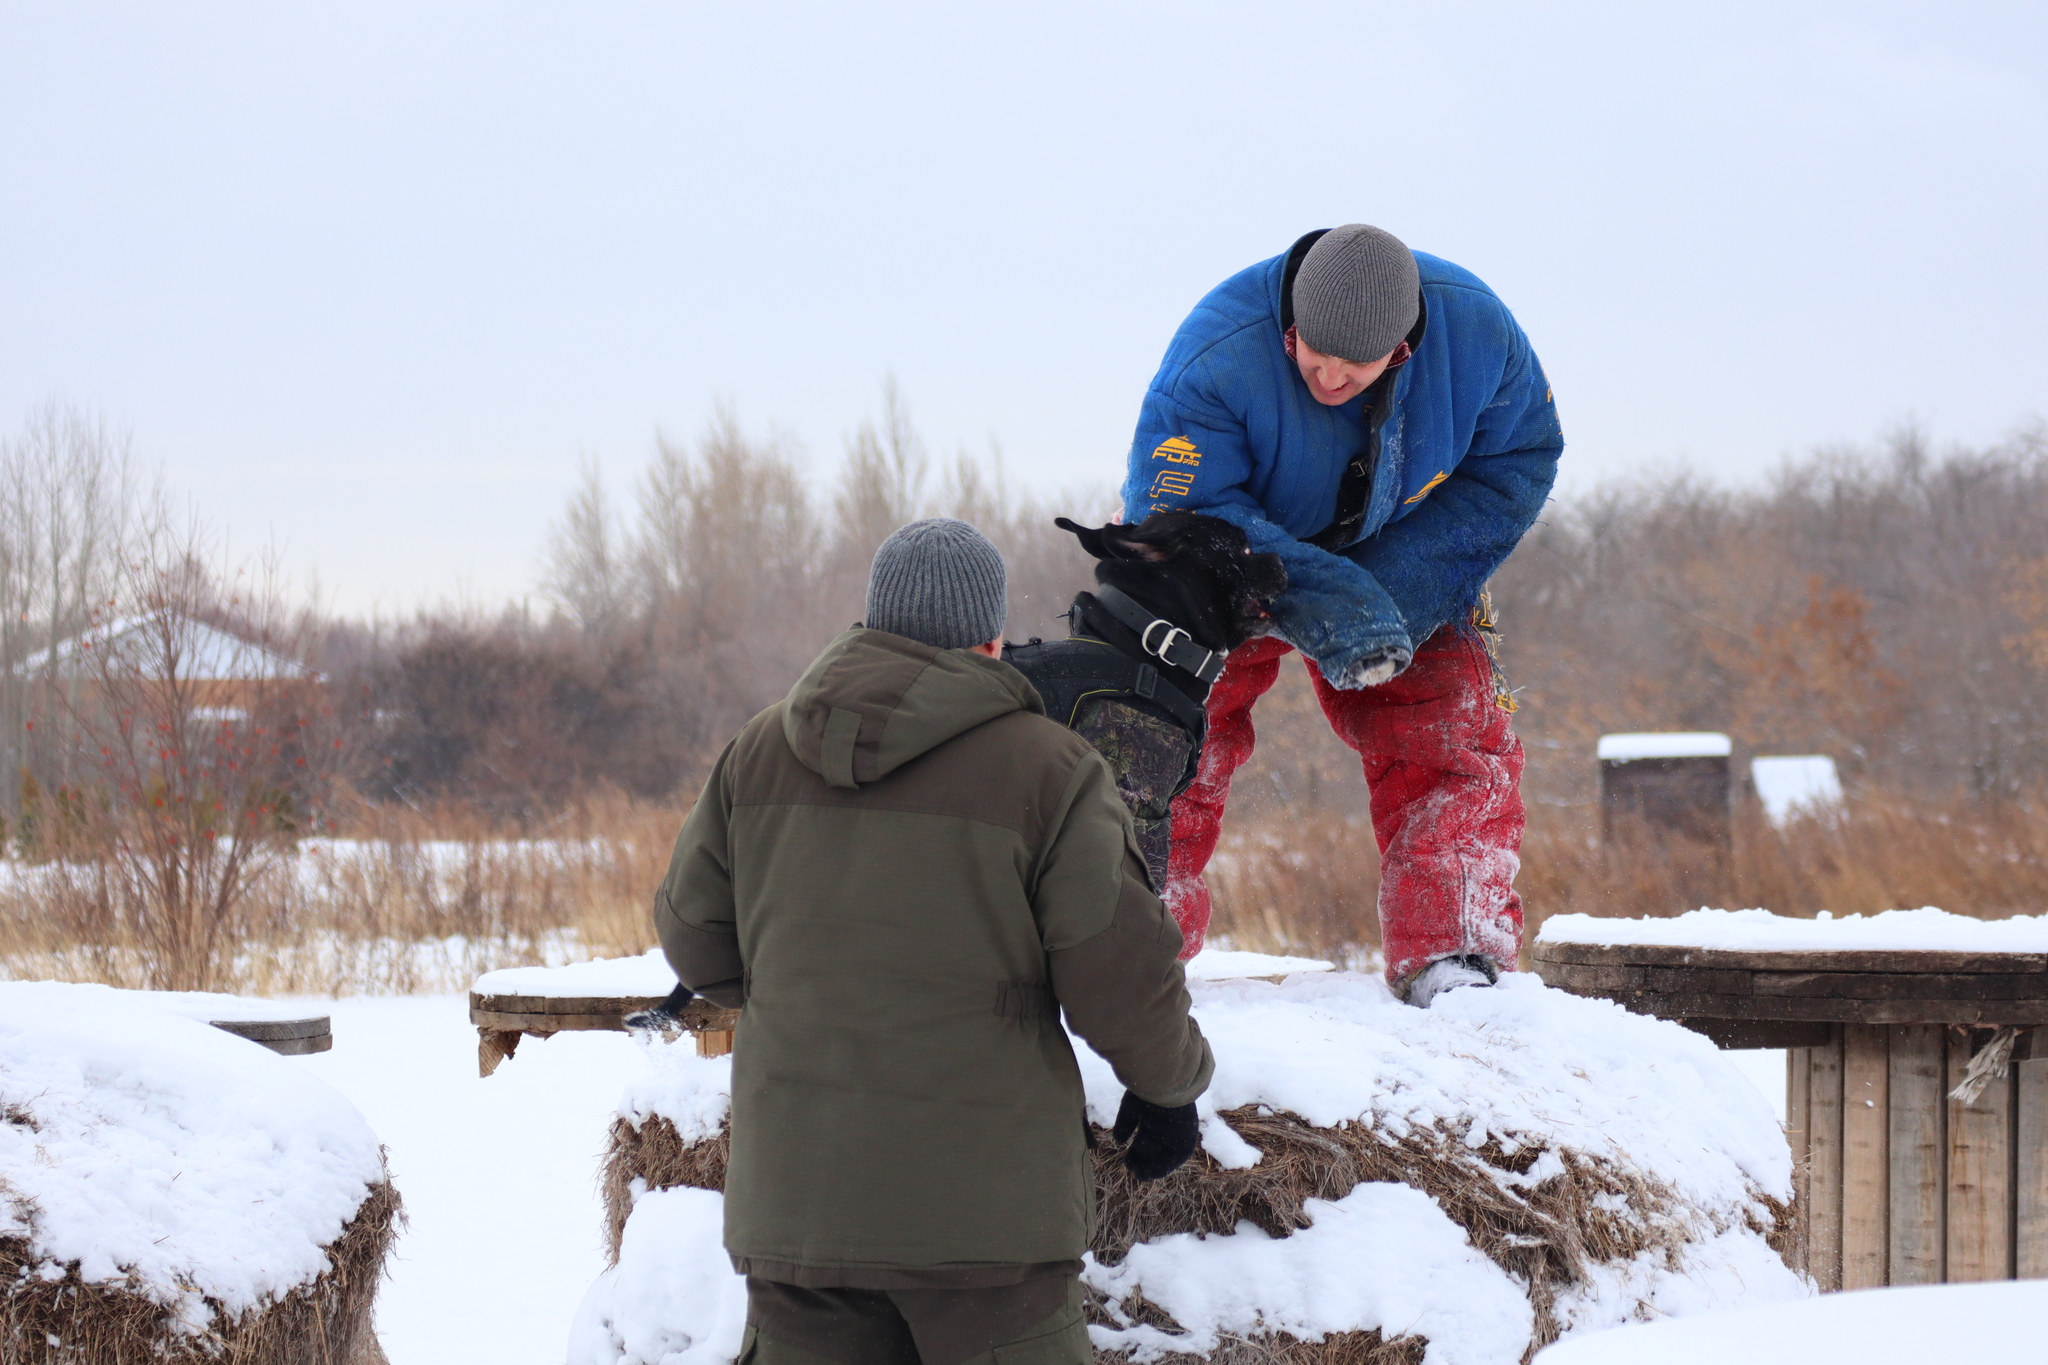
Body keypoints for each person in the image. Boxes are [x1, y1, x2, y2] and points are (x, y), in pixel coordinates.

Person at [654, 518, 1215, 1365]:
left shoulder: (760, 751)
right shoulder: (1050, 771)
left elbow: (696, 941)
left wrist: (806, 985)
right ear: (992, 640)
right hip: (987, 1228)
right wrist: (1169, 1089)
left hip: (801, 1207)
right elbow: (1120, 969)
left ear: (872, 624)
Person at [1121, 224, 1563, 1006]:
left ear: (1401, 350)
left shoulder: (1480, 336)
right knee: (1163, 723)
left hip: (1396, 539)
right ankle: (1125, 930)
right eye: (1308, 351)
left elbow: (1517, 459)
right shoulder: (1213, 358)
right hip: (1226, 547)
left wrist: (1392, 594)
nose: (1325, 374)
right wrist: (1320, 595)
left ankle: (1454, 947)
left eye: (1350, 365)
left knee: (1455, 737)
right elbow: (1180, 511)